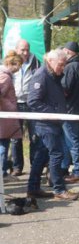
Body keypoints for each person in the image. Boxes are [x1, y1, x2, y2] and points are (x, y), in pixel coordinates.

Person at [27, 48, 77, 201]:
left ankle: (33, 188)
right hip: (46, 124)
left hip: (53, 122)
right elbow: (33, 101)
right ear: (50, 61)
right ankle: (59, 189)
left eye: (64, 65)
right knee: (57, 155)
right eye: (61, 65)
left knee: (41, 156)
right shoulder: (41, 76)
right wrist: (53, 111)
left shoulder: (53, 75)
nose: (63, 68)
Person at [10, 39, 40, 176]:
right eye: (22, 49)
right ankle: (17, 167)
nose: (25, 52)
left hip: (32, 104)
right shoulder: (10, 62)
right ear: (16, 49)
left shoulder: (36, 62)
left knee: (34, 136)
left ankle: (35, 165)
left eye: (27, 49)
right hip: (15, 103)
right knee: (16, 137)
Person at [61, 41, 79, 184]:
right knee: (71, 140)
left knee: (73, 141)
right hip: (76, 109)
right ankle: (66, 168)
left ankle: (78, 171)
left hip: (70, 110)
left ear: (68, 52)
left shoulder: (71, 67)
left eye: (64, 52)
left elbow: (65, 89)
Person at [0, 51, 24, 181]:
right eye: (18, 66)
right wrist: (8, 106)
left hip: (5, 116)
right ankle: (2, 173)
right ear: (12, 64)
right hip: (5, 117)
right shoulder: (5, 77)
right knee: (3, 145)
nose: (19, 69)